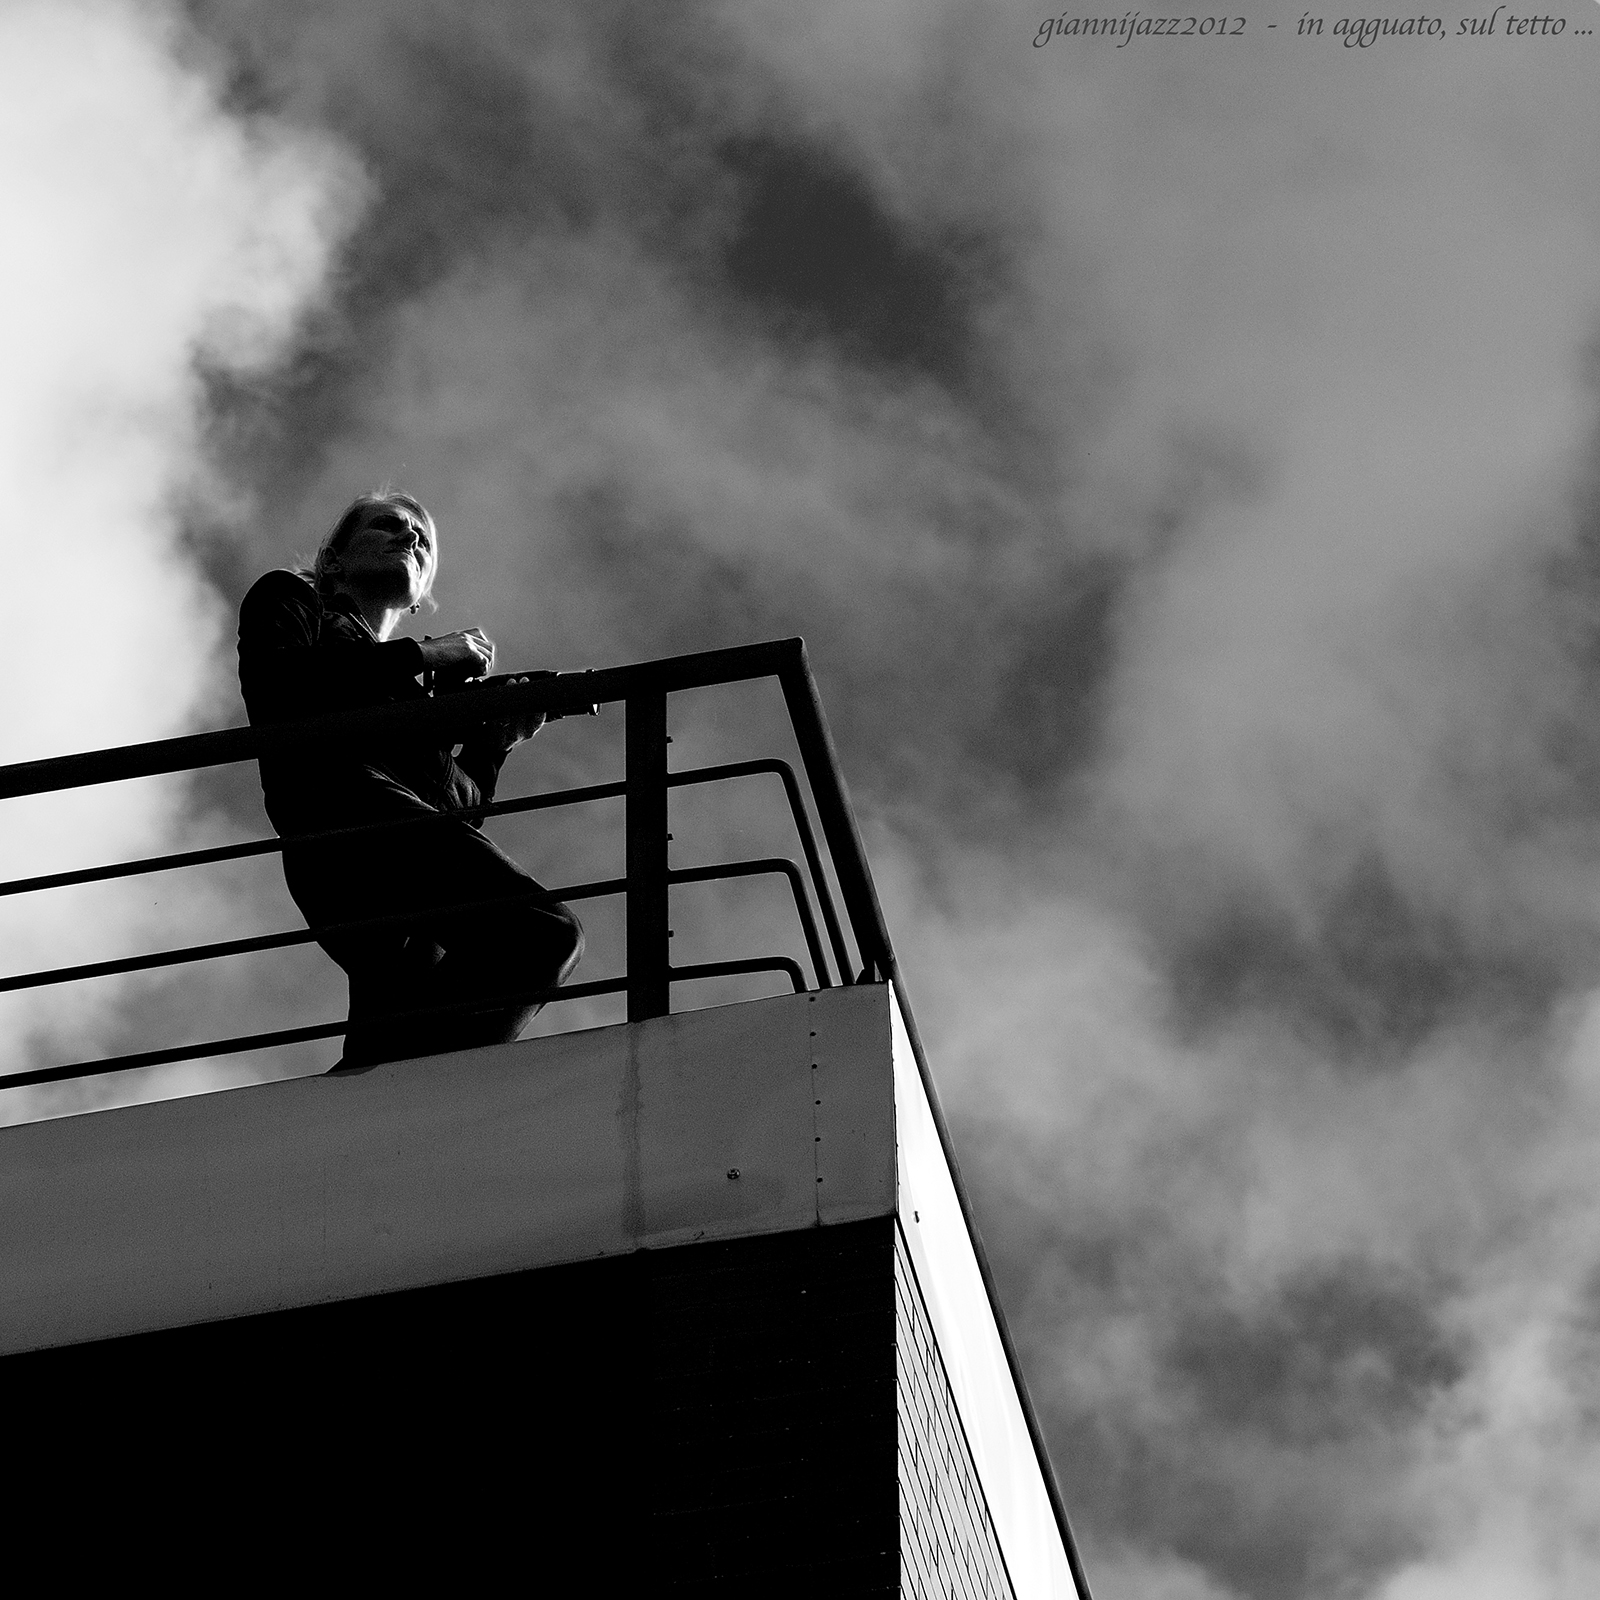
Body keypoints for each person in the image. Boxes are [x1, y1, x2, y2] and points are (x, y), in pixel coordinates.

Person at [237, 490, 583, 1071]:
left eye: (422, 540)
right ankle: (417, 1098)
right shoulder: (293, 597)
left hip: (391, 853)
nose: (411, 538)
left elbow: (453, 814)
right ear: (334, 560)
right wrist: (425, 654)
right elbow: (279, 684)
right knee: (541, 934)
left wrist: (493, 743)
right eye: (388, 525)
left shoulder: (411, 695)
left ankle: (365, 1104)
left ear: (420, 595)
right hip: (338, 813)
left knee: (391, 1033)